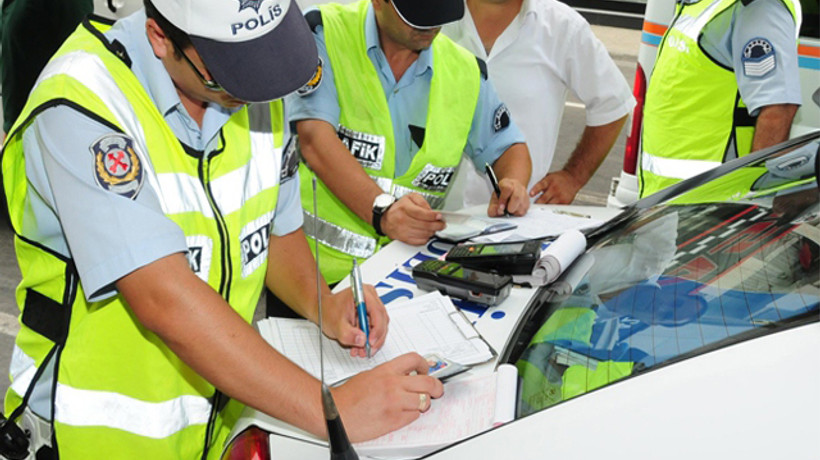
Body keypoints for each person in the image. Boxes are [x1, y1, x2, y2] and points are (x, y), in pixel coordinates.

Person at [1, 0, 442, 458]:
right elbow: (163, 297)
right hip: (92, 440)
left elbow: (273, 231)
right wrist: (334, 410)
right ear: (160, 37)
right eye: (231, 69)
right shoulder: (83, 102)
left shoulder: (254, 83)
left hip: (214, 430)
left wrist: (324, 304)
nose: (254, 85)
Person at [286, 0, 532, 292]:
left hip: (405, 278)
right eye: (417, 15)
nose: (430, 26)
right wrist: (383, 212)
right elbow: (314, 139)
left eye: (439, 14)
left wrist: (512, 183)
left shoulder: (465, 71)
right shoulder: (324, 32)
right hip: (312, 277)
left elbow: (508, 147)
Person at [442, 0, 635, 206]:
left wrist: (573, 177)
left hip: (517, 216)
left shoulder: (562, 27)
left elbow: (613, 103)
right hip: (429, 216)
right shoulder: (432, 19)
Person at [638, 0, 801, 198]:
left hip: (713, 200)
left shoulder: (758, 8)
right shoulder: (700, 5)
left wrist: (753, 194)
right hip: (669, 197)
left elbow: (779, 109)